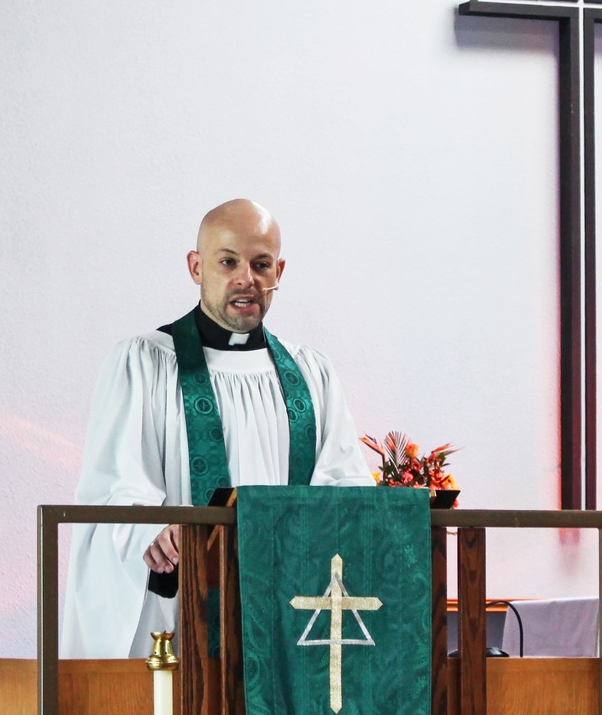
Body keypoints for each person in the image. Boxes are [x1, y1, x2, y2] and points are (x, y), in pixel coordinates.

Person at [60, 199, 375, 659]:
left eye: (261, 264)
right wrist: (150, 529)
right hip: (181, 617)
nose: (246, 278)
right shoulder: (146, 363)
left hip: (286, 621)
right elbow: (114, 486)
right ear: (196, 267)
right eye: (228, 262)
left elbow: (346, 489)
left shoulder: (311, 374)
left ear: (279, 271)